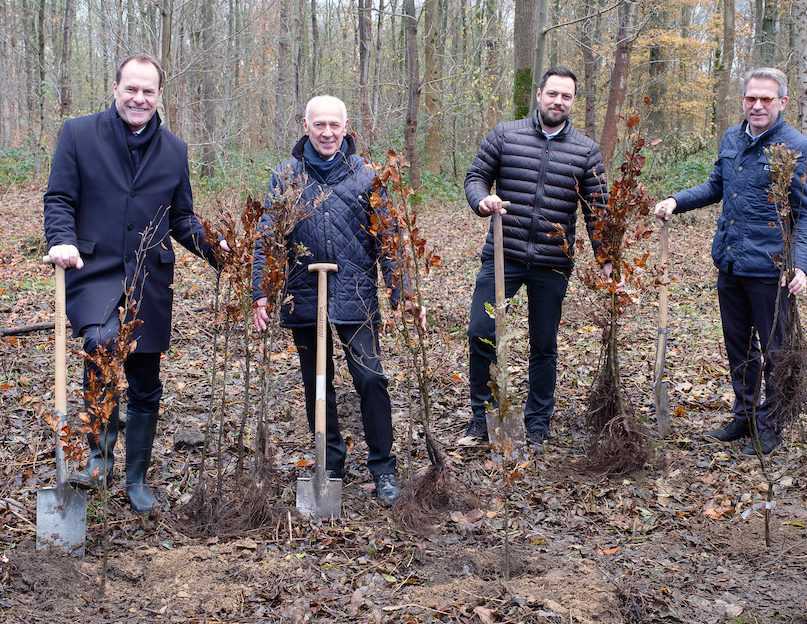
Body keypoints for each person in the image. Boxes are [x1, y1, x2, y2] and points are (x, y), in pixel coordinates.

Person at [44, 53, 223, 513]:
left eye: (148, 91)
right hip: (93, 268)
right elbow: (60, 197)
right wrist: (62, 241)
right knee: (100, 345)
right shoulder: (79, 134)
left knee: (145, 376)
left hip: (149, 274)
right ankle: (99, 460)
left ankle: (137, 478)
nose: (139, 98)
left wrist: (222, 253)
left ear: (159, 95)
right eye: (131, 89)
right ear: (116, 88)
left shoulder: (175, 150)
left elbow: (181, 218)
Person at [251, 95, 421, 507]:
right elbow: (268, 238)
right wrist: (261, 291)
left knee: (371, 379)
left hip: (355, 295)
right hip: (303, 295)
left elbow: (390, 238)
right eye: (319, 124)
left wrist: (402, 292)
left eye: (335, 125)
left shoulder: (367, 175)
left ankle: (383, 467)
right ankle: (330, 464)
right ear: (305, 125)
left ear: (347, 128)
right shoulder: (287, 176)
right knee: (318, 382)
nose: (327, 132)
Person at [654, 67, 807, 456]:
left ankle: (771, 422)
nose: (757, 105)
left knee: (776, 351)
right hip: (730, 262)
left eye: (766, 99)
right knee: (738, 348)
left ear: (782, 102)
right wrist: (676, 200)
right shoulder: (732, 137)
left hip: (771, 271)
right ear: (742, 100)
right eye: (751, 98)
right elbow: (716, 185)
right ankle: (744, 415)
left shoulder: (799, 149)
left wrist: (801, 265)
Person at [459, 66, 608, 451]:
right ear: (539, 95)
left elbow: (598, 212)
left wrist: (609, 263)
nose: (559, 101)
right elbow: (475, 177)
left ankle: (537, 422)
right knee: (481, 332)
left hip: (552, 263)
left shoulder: (586, 150)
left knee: (544, 344)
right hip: (502, 256)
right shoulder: (505, 135)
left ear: (573, 102)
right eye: (553, 93)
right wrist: (482, 201)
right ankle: (483, 415)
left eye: (567, 96)